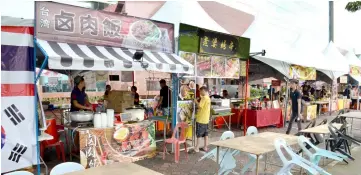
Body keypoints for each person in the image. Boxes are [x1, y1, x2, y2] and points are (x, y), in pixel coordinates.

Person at [194, 86, 211, 152]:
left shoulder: (204, 98)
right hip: (206, 120)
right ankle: (205, 147)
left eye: (200, 91)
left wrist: (195, 101)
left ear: (203, 90)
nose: (200, 93)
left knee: (199, 135)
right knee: (205, 134)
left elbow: (200, 106)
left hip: (201, 119)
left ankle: (197, 148)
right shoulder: (208, 98)